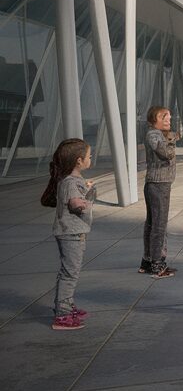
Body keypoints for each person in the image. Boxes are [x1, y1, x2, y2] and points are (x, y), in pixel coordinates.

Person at [42, 138, 96, 331]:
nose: (90, 158)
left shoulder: (68, 180)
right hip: (72, 233)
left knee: (68, 271)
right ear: (79, 161)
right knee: (70, 273)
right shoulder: (71, 182)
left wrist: (85, 188)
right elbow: (75, 204)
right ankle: (63, 315)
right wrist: (87, 198)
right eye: (89, 156)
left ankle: (65, 306)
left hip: (69, 232)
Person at [140, 105, 177, 278]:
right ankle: (157, 264)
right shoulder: (154, 134)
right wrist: (171, 139)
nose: (169, 119)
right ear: (154, 119)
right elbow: (166, 153)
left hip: (156, 183)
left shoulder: (155, 134)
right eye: (164, 117)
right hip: (158, 184)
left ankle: (148, 262)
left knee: (152, 223)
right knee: (159, 225)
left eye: (169, 116)